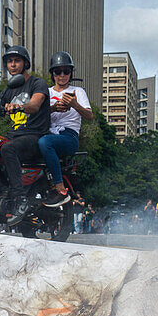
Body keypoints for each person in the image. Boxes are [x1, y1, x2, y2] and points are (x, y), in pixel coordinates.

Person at [0, 45, 50, 224]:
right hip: (15, 136)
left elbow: (34, 105)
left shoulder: (37, 83)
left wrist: (18, 106)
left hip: (35, 136)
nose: (12, 64)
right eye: (9, 61)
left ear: (25, 63)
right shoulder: (8, 90)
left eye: (16, 61)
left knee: (8, 148)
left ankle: (21, 199)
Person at [40, 51, 93, 206]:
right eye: (58, 72)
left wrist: (74, 104)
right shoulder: (46, 92)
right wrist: (53, 108)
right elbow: (35, 115)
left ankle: (59, 187)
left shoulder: (78, 92)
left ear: (70, 73)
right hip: (48, 132)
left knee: (45, 142)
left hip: (68, 136)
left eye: (66, 71)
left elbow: (89, 116)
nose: (62, 75)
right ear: (52, 74)